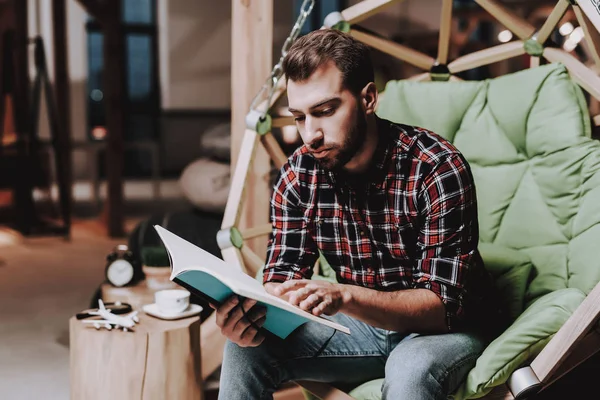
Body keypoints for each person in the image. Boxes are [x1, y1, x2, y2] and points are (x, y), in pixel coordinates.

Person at [213, 28, 501, 400]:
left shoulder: (435, 167)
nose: (310, 135)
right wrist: (250, 318)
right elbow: (282, 275)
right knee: (244, 349)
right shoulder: (298, 175)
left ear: (367, 98)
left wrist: (344, 297)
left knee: (409, 369)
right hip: (361, 328)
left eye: (325, 111)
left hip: (445, 330)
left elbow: (442, 305)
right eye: (299, 117)